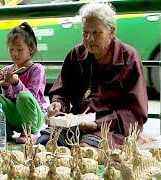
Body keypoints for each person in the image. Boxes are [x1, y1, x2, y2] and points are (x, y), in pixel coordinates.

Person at [40, 2, 148, 148]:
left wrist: (96, 124)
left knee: (86, 151)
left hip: (113, 127)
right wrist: (58, 104)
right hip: (78, 124)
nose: (89, 39)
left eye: (96, 33)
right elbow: (62, 91)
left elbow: (135, 112)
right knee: (44, 144)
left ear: (111, 31)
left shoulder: (128, 58)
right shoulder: (76, 55)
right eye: (85, 33)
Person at [0, 22, 48, 144]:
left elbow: (31, 97)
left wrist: (16, 82)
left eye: (19, 49)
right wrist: (5, 85)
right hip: (15, 116)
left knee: (24, 96)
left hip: (34, 116)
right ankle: (5, 130)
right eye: (12, 49)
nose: (15, 53)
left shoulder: (36, 69)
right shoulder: (8, 69)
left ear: (30, 49)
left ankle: (28, 132)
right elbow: (9, 98)